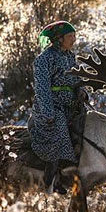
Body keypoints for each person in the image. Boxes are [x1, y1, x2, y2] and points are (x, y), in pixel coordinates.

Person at [28, 20, 81, 194]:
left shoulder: (70, 56)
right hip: (51, 108)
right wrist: (48, 112)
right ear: (59, 39)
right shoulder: (44, 59)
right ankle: (52, 180)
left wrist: (82, 92)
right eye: (70, 36)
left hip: (71, 106)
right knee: (59, 131)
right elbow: (43, 89)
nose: (74, 39)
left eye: (74, 35)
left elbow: (77, 79)